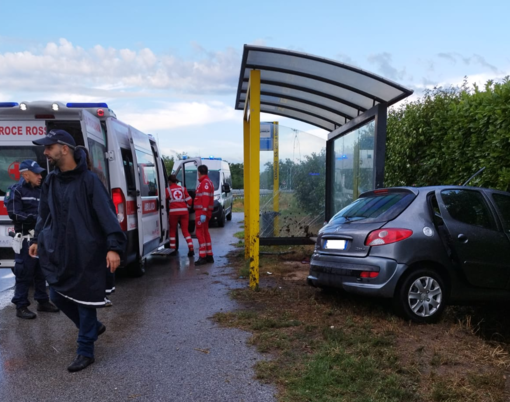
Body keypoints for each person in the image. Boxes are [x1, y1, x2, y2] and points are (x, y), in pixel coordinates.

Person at [28, 129, 126, 373]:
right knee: (56, 296)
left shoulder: (89, 181)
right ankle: (92, 327)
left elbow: (107, 215)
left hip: (87, 251)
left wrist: (114, 247)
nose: (45, 152)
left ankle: (85, 351)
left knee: (85, 301)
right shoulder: (51, 181)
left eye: (49, 147)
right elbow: (45, 212)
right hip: (60, 250)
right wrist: (37, 238)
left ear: (64, 148)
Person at [6, 160, 59, 319]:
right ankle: (21, 306)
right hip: (25, 239)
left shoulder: (42, 191)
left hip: (41, 238)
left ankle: (42, 301)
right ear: (25, 174)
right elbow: (15, 214)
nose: (40, 176)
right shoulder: (16, 191)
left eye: (41, 173)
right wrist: (38, 220)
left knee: (41, 271)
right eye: (36, 173)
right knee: (24, 272)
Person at [166, 174, 194, 257]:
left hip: (173, 213)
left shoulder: (168, 190)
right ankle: (191, 248)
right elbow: (189, 200)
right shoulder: (182, 189)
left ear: (170, 181)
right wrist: (187, 207)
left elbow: (163, 199)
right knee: (185, 231)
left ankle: (173, 250)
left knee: (172, 231)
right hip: (184, 212)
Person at [194, 165, 214, 265]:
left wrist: (203, 212)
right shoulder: (207, 182)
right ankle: (209, 255)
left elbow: (205, 199)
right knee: (205, 233)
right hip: (204, 212)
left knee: (199, 233)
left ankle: (202, 256)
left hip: (201, 212)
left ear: (199, 172)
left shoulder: (204, 183)